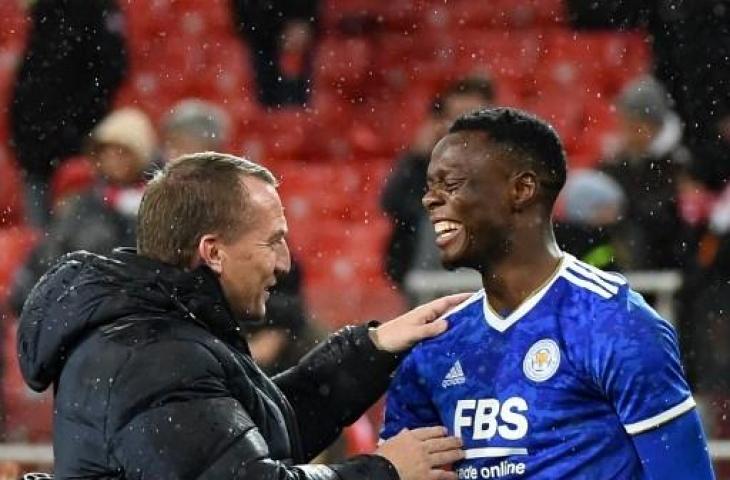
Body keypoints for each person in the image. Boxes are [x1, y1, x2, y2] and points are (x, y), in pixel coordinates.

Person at [17, 152, 466, 479]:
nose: (284, 262)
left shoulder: (158, 332)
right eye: (272, 241)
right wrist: (385, 470)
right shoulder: (152, 354)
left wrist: (372, 347)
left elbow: (252, 433)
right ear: (212, 252)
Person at [380, 107, 714, 478]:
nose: (430, 199)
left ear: (521, 190)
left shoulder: (615, 324)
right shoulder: (436, 344)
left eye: (451, 184)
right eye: (430, 187)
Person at [8, 107, 156, 316]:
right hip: (78, 313)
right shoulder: (82, 205)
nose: (114, 159)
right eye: (107, 152)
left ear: (140, 156)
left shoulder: (157, 209)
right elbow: (49, 256)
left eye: (122, 152)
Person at [10, 0, 127, 227]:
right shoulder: (43, 11)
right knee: (41, 246)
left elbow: (111, 70)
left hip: (76, 150)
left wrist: (76, 127)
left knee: (81, 236)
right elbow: (30, 79)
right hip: (36, 149)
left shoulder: (97, 9)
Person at [381, 76, 495, 296]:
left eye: (473, 119)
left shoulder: (503, 161)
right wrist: (416, 159)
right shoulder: (424, 163)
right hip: (426, 269)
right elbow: (392, 204)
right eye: (456, 119)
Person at [600, 75, 694, 270]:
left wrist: (622, 212)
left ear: (652, 126)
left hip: (667, 259)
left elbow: (664, 215)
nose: (625, 133)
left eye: (632, 126)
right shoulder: (619, 164)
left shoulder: (680, 164)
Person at [161, 99, 231, 162]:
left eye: (187, 147)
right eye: (172, 144)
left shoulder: (226, 174)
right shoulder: (155, 170)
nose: (172, 154)